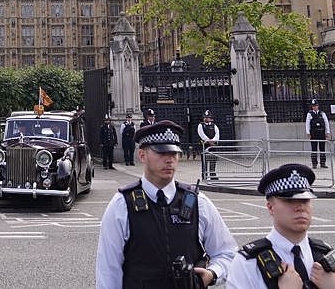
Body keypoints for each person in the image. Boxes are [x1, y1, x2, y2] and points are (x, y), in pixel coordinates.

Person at [95, 120, 236, 289]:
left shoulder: (198, 202)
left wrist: (212, 274)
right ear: (142, 155)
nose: (169, 160)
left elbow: (227, 254)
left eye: (174, 153)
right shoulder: (122, 205)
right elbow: (108, 271)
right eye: (161, 153)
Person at [227, 164, 335, 289]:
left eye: (305, 200)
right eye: (289, 200)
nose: (300, 207)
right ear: (270, 207)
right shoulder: (248, 263)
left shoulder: (324, 254)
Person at [304, 99, 331, 169]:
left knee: (322, 148)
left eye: (315, 106)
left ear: (318, 106)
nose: (314, 107)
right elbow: (307, 123)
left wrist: (327, 132)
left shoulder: (322, 113)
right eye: (313, 106)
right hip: (313, 133)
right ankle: (314, 163)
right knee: (314, 149)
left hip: (321, 132)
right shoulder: (310, 114)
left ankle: (323, 163)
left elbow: (326, 122)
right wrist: (308, 132)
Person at [198, 110, 219, 180]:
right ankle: (205, 175)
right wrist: (209, 141)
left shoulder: (214, 125)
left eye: (208, 117)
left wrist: (214, 141)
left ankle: (212, 174)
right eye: (205, 117)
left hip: (213, 146)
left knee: (213, 160)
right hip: (205, 146)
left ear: (211, 118)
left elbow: (217, 134)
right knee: (205, 161)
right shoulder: (201, 125)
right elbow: (201, 134)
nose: (206, 119)